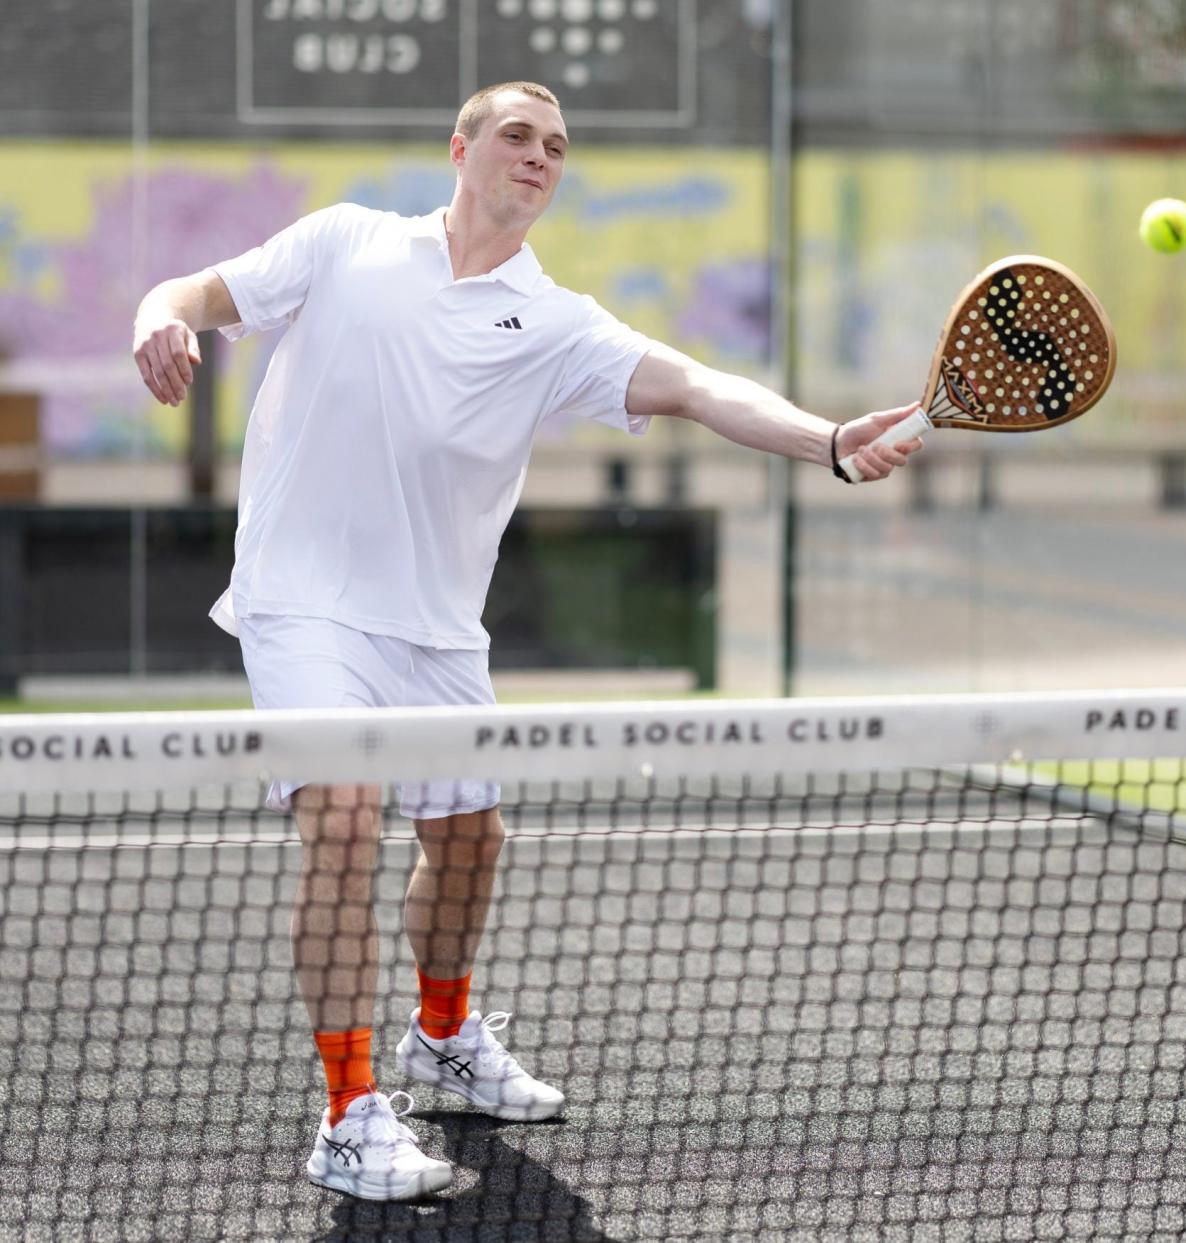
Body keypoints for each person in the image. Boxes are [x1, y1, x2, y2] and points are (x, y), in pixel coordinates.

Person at [131, 80, 922, 1203]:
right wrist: (154, 319)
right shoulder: (343, 242)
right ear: (460, 149)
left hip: (439, 632)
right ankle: (349, 1112)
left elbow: (696, 386)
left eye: (557, 145)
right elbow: (189, 291)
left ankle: (441, 1037)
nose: (540, 155)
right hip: (300, 600)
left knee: (469, 839)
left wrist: (832, 440)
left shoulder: (555, 320)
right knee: (345, 819)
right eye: (518, 134)